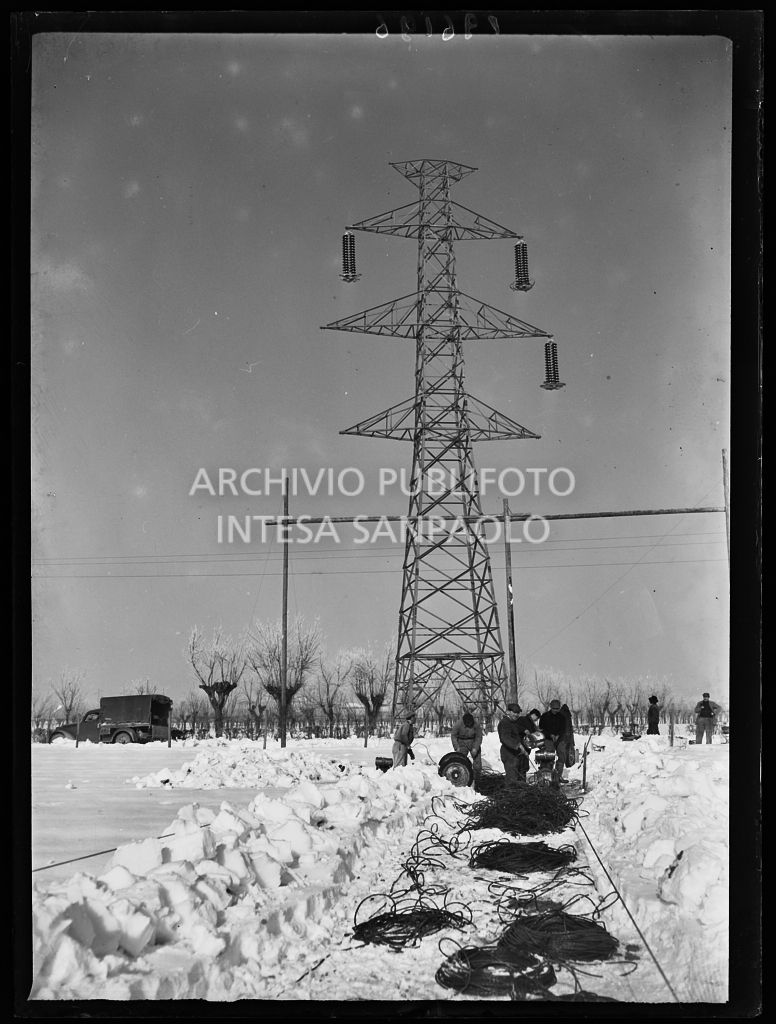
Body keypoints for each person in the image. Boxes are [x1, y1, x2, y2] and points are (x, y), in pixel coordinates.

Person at [498, 703, 533, 783]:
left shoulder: (513, 722)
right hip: (509, 753)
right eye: (514, 712)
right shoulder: (504, 723)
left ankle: (521, 789)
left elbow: (518, 728)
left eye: (518, 713)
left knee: (521, 776)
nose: (516, 715)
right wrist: (518, 745)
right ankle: (511, 790)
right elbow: (505, 738)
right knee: (512, 778)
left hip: (516, 753)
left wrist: (524, 730)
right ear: (508, 712)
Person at [538, 699, 569, 784]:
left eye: (557, 709)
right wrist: (550, 735)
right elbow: (541, 729)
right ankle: (547, 777)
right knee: (549, 757)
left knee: (562, 756)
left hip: (560, 739)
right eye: (554, 708)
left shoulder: (562, 717)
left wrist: (558, 735)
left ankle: (558, 777)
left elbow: (564, 729)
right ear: (551, 707)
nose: (556, 710)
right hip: (548, 739)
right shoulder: (544, 716)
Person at [450, 710, 483, 786]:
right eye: (467, 724)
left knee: (477, 763)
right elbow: (453, 736)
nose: (469, 725)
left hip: (473, 741)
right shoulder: (458, 724)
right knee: (460, 761)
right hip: (462, 742)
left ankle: (477, 780)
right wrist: (456, 747)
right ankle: (461, 778)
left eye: (470, 724)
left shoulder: (476, 724)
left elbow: (479, 736)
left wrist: (475, 748)